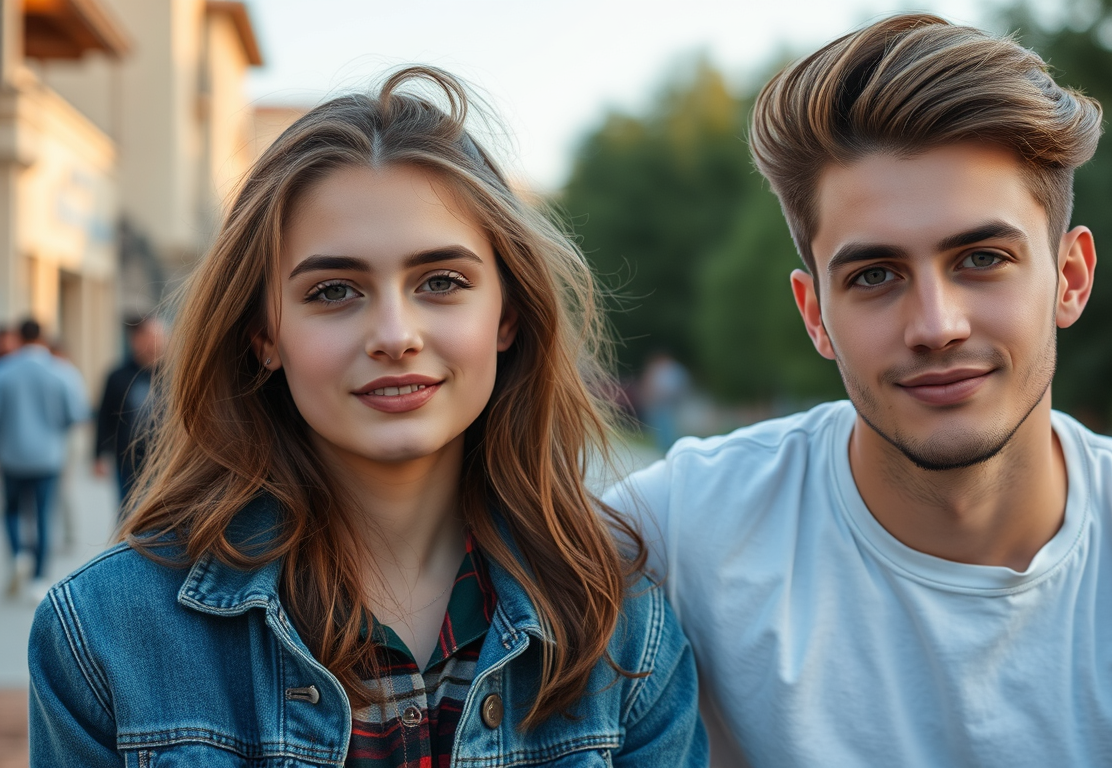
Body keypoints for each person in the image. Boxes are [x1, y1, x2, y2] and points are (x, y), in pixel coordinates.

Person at [604, 15, 1112, 768]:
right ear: (816, 316)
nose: (936, 325)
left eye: (982, 258)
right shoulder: (674, 531)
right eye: (875, 276)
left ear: (1071, 279)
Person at [29, 67, 705, 767]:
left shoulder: (625, 626)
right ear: (263, 334)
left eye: (441, 282)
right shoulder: (103, 635)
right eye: (334, 291)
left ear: (507, 314)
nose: (394, 333)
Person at [0, 319, 89, 598]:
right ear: (42, 338)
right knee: (43, 515)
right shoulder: (59, 371)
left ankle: (19, 554)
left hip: (12, 455)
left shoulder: (5, 371)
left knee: (12, 511)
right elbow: (75, 415)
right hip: (48, 456)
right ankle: (38, 577)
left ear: (19, 337)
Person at [94, 314, 168, 512]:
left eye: (160, 337)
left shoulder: (173, 374)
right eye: (151, 337)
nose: (157, 342)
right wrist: (99, 455)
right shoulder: (118, 376)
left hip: (165, 458)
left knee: (159, 513)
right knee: (128, 511)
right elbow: (104, 416)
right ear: (135, 341)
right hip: (127, 457)